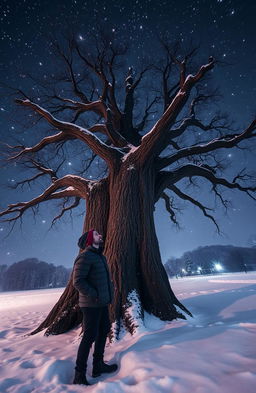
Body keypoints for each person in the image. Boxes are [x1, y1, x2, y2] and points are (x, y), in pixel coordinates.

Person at [72, 228, 118, 385]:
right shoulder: (85, 257)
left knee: (104, 330)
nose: (101, 235)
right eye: (97, 234)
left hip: (102, 303)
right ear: (89, 240)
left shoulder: (100, 257)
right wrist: (95, 294)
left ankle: (98, 365)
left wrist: (108, 292)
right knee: (89, 336)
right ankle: (79, 375)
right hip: (91, 304)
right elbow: (78, 281)